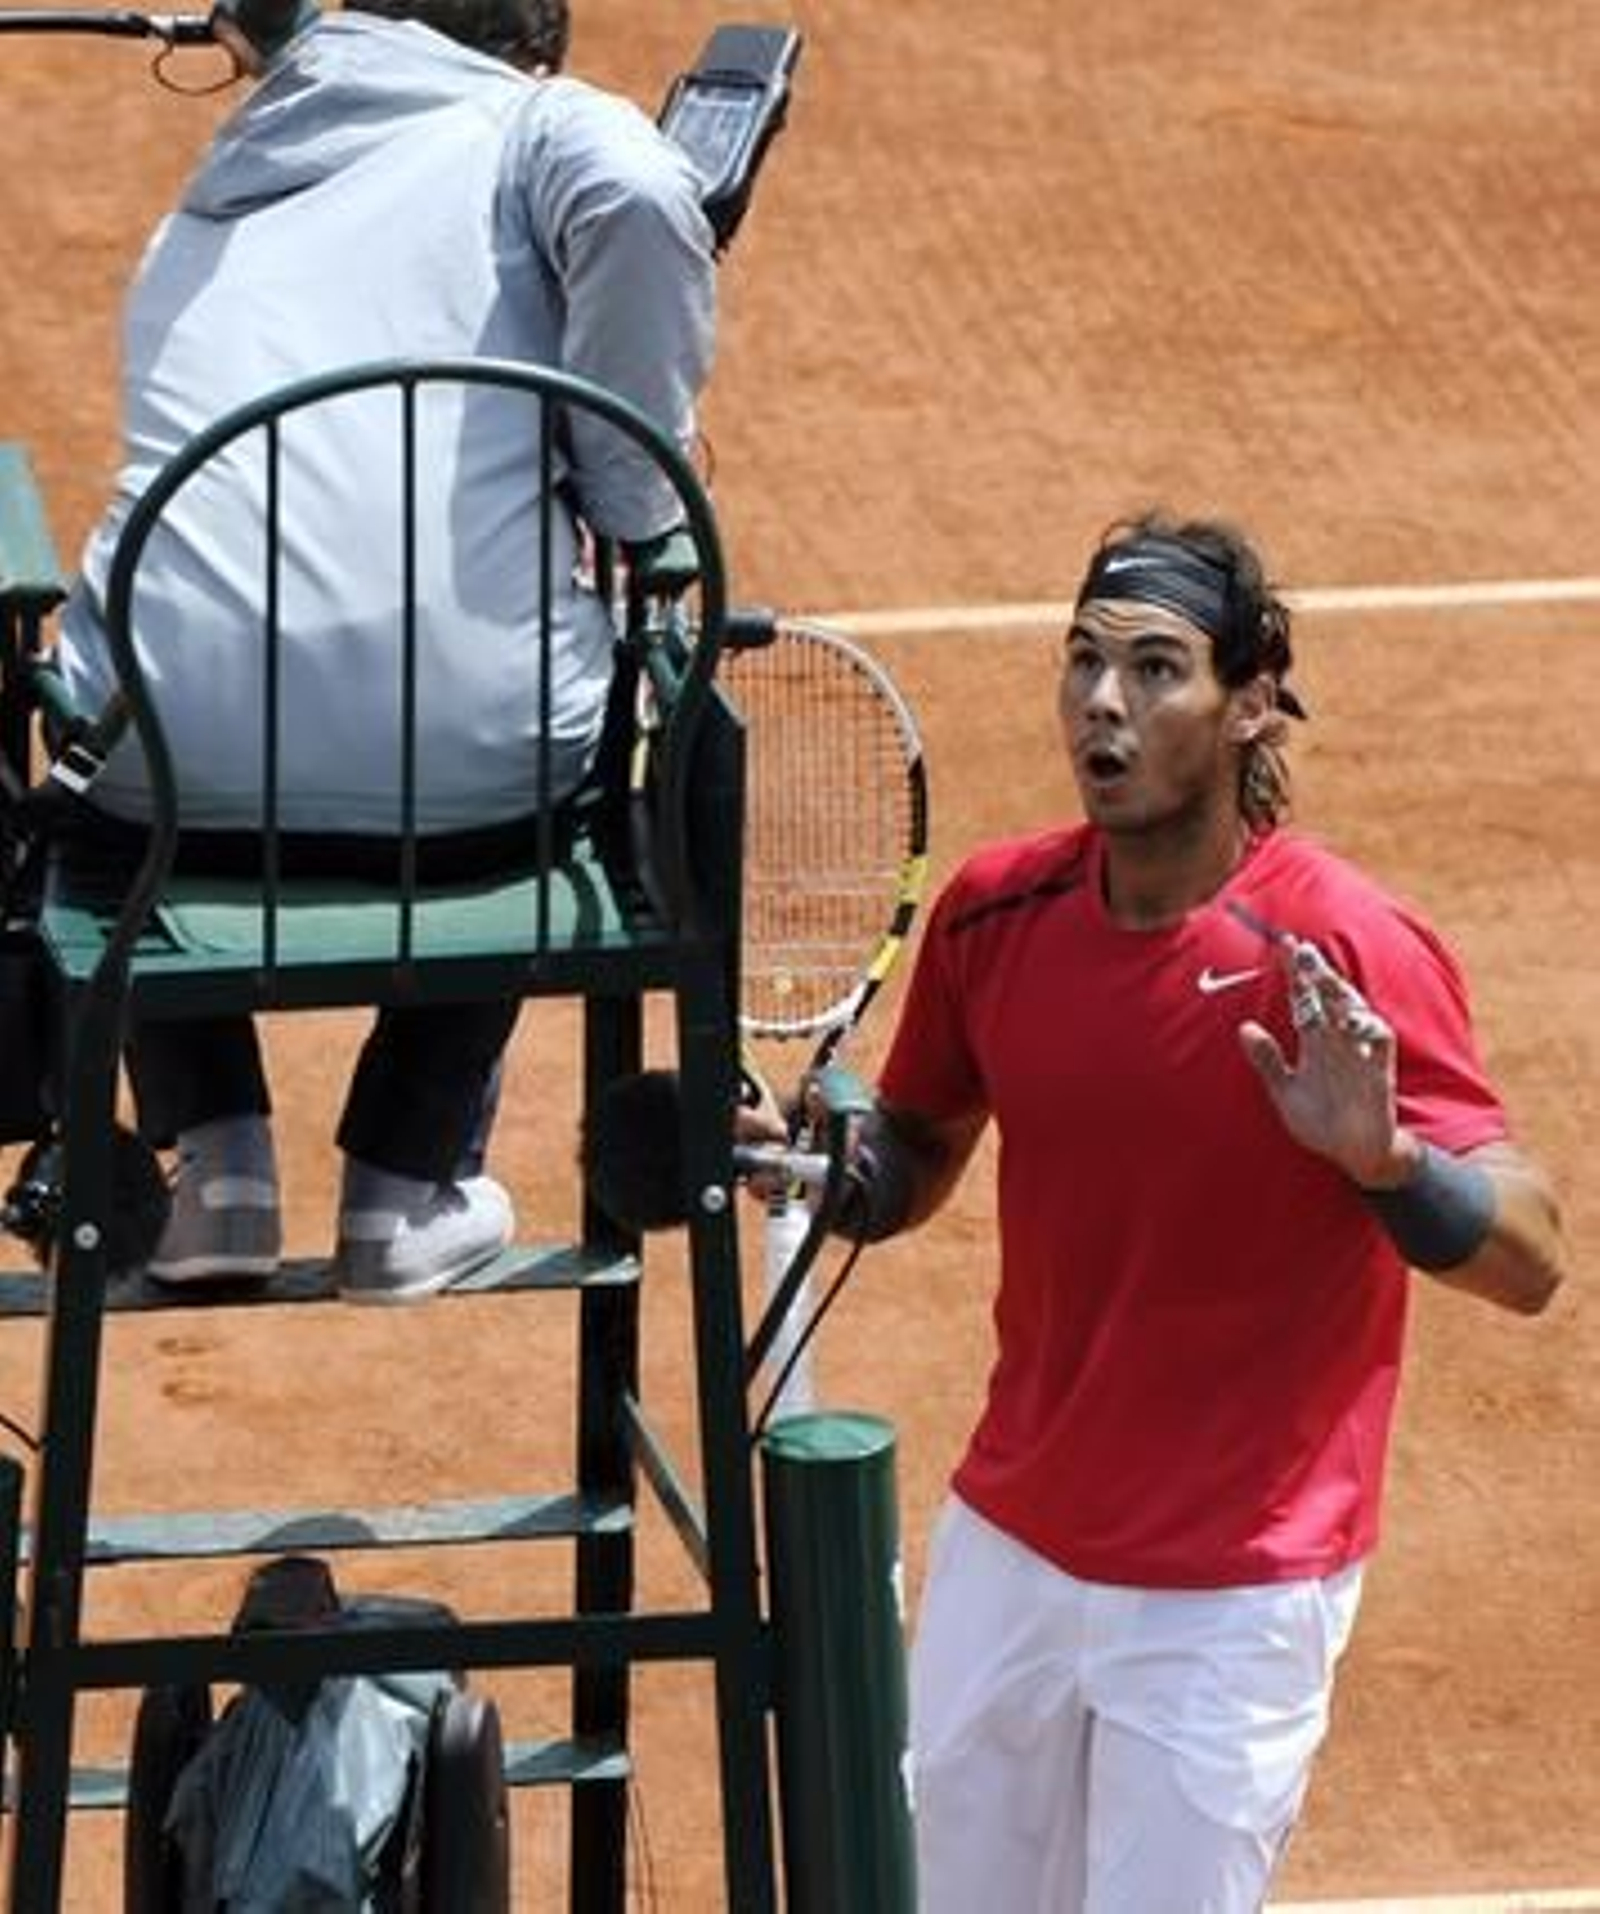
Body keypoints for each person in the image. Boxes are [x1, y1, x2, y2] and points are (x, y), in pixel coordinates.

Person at [820, 511, 1567, 1911]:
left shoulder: (1341, 949)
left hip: (1235, 1591)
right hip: (1014, 1547)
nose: (1102, 703)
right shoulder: (994, 913)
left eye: (1156, 669)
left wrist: (1390, 1162)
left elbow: (1531, 1258)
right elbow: (915, 1145)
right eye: (1083, 662)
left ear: (1250, 706)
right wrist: (831, 1171)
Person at [53, 0, 717, 1301]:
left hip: (164, 802)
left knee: (130, 721)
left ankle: (218, 1166)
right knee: (535, 701)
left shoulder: (213, 199)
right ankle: (407, 1185)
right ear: (525, 55)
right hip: (469, 809)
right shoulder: (534, 122)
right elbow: (644, 190)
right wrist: (633, 492)